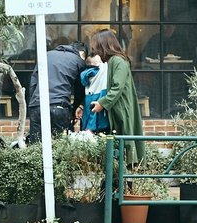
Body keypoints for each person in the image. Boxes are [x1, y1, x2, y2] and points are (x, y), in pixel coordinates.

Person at [89, 29, 145, 164]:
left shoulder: (117, 61)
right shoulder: (115, 61)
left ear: (103, 46)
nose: (95, 52)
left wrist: (102, 103)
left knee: (125, 146)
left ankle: (125, 182)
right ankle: (120, 181)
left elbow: (117, 87)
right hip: (119, 109)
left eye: (96, 48)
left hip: (122, 110)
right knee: (122, 146)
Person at [26, 40, 87, 143]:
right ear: (82, 53)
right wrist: (74, 110)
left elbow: (33, 83)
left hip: (37, 105)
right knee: (60, 146)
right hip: (59, 106)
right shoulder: (78, 61)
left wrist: (32, 104)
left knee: (36, 146)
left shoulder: (47, 55)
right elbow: (80, 91)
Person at [78, 52, 110, 133]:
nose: (101, 64)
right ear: (93, 64)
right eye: (98, 62)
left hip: (88, 99)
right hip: (99, 102)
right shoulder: (102, 69)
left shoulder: (85, 75)